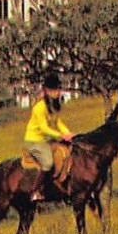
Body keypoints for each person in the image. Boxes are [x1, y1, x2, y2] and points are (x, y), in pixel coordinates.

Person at [24, 71, 74, 201]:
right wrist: (61, 135)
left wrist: (68, 133)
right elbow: (44, 128)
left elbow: (58, 122)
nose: (57, 93)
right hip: (35, 140)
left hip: (48, 140)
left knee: (69, 152)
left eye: (58, 89)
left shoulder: (54, 105)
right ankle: (36, 192)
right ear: (46, 91)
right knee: (47, 163)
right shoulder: (39, 108)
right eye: (53, 90)